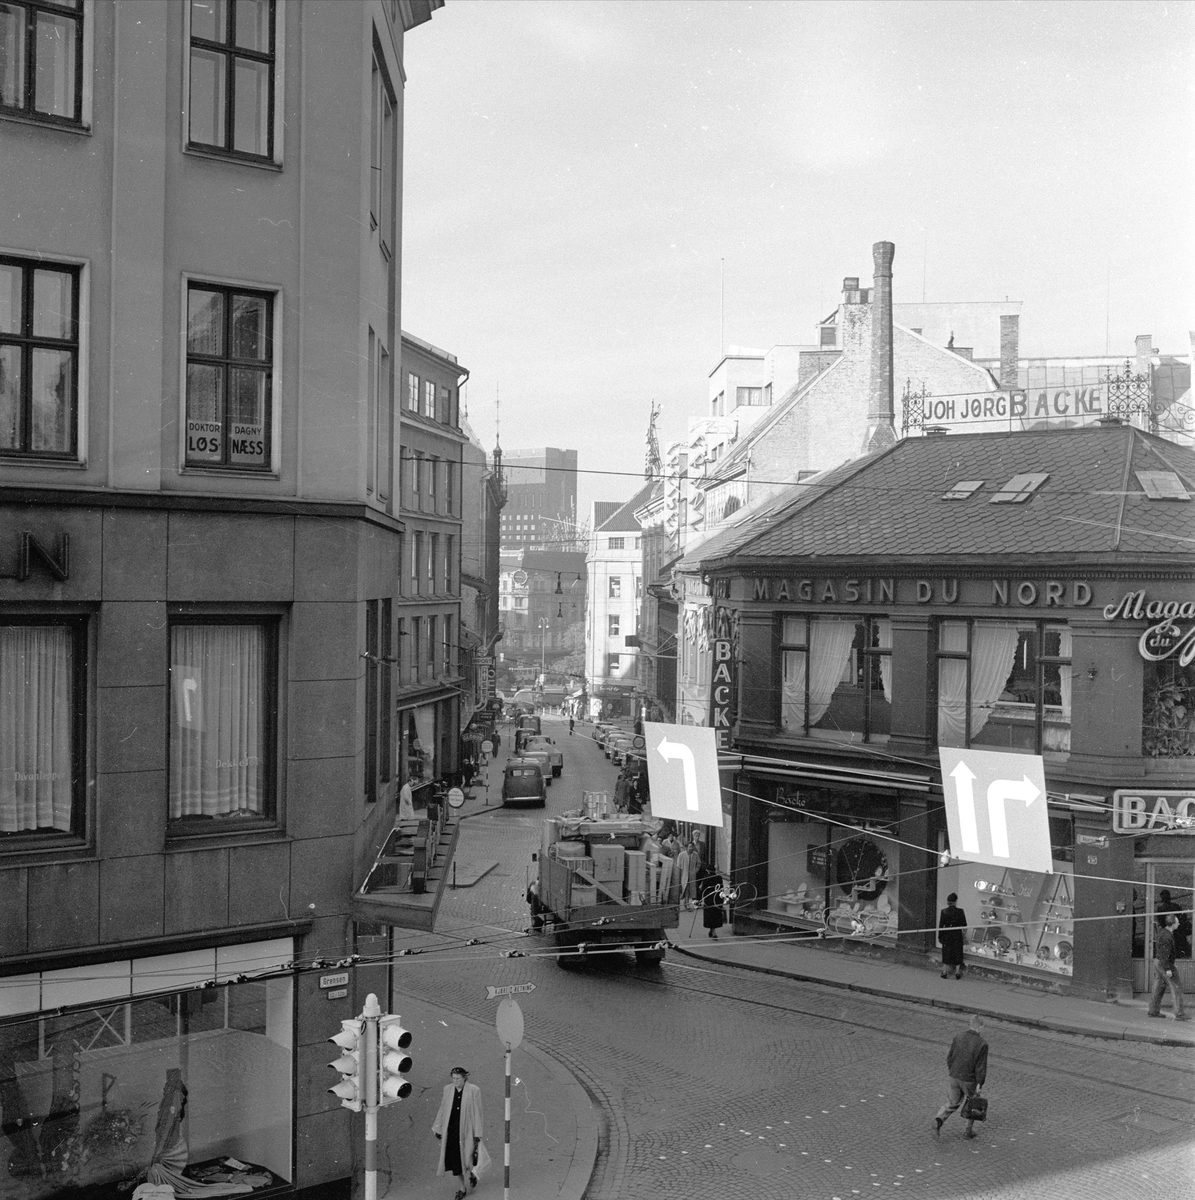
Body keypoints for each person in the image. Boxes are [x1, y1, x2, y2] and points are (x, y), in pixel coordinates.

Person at [433, 1067, 489, 1199]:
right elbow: (443, 1108)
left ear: (465, 1078)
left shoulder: (474, 1090)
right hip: (452, 1131)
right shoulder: (448, 1089)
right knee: (455, 1160)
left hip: (467, 1131)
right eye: (453, 1078)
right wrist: (438, 1128)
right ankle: (462, 1188)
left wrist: (478, 1134)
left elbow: (477, 1113)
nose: (455, 1081)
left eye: (458, 1078)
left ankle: (473, 1174)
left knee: (468, 1158)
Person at [933, 1015, 988, 1140]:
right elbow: (980, 1067)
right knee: (973, 1104)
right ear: (981, 1027)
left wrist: (953, 1071)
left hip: (954, 1075)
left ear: (970, 1024)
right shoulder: (982, 1044)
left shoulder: (958, 1037)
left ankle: (938, 1120)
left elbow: (950, 1057)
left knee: (953, 1102)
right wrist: (980, 1083)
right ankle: (968, 1131)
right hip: (969, 1079)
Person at [1147, 914, 1190, 1021]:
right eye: (1177, 922)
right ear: (1173, 924)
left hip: (1158, 962)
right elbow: (1165, 954)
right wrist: (1168, 969)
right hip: (1165, 964)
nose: (1179, 924)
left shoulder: (1163, 932)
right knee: (1176, 987)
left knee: (1158, 987)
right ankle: (1179, 1014)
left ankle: (1153, 1010)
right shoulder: (1167, 936)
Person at [938, 892, 968, 980]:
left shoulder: (943, 911)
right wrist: (963, 934)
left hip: (947, 934)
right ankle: (957, 972)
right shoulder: (960, 911)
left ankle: (944, 972)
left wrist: (940, 936)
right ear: (955, 902)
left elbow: (941, 925)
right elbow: (964, 924)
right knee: (958, 952)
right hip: (956, 934)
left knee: (946, 952)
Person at [1156, 890, 1192, 959]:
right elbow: (1183, 917)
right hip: (1178, 931)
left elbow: (1161, 922)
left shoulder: (1161, 908)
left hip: (1174, 930)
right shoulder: (1175, 906)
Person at [697, 862, 725, 939]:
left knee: (710, 915)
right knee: (715, 915)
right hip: (717, 898)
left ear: (707, 870)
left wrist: (699, 899)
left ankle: (713, 931)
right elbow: (721, 888)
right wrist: (722, 899)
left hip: (708, 899)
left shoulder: (706, 877)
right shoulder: (719, 878)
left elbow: (703, 889)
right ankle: (713, 930)